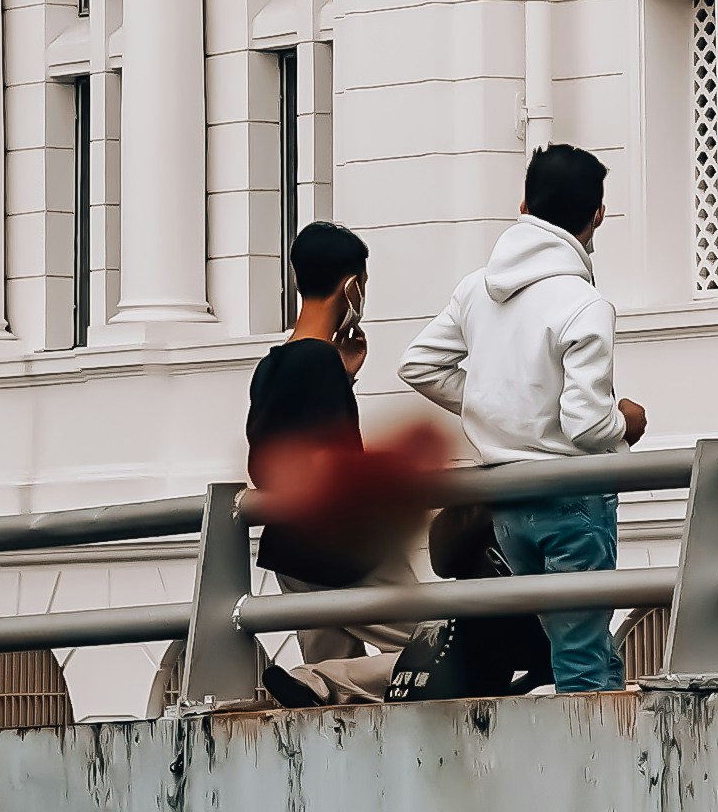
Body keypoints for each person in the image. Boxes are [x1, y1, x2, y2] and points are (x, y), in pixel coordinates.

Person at [394, 142, 647, 695]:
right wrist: (626, 421)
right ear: (597, 215)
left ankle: (599, 761)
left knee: (574, 646)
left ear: (524, 205)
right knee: (583, 653)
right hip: (571, 496)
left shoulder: (476, 289)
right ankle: (591, 772)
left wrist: (493, 403)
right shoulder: (583, 304)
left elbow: (419, 365)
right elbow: (585, 425)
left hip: (505, 498)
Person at [244, 221, 411, 701]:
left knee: (329, 700)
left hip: (290, 551)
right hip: (343, 547)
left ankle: (318, 680)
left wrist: (346, 377)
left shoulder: (274, 363)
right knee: (439, 650)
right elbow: (326, 460)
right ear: (352, 286)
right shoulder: (318, 364)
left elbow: (274, 453)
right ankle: (314, 678)